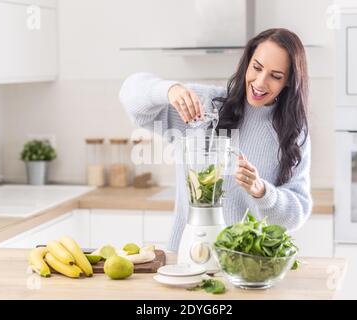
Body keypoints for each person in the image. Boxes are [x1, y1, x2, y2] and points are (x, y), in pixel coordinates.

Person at [119, 28, 312, 252]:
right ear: (247, 63)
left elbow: (297, 213)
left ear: (288, 81)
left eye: (275, 76)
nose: (260, 82)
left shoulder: (292, 131)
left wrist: (261, 191)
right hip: (186, 256)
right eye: (256, 68)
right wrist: (169, 90)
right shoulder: (204, 105)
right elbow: (130, 96)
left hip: (247, 265)